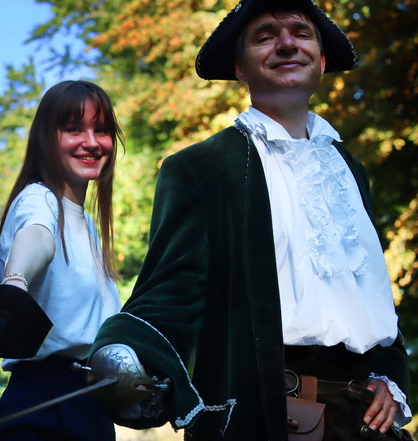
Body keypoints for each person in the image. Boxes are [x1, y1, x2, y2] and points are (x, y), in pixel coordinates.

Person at [89, 0, 412, 440]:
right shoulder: (202, 167)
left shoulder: (349, 170)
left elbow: (373, 297)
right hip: (267, 414)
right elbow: (171, 289)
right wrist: (127, 345)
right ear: (240, 68)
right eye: (265, 36)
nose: (285, 44)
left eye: (301, 33)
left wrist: (389, 380)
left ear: (321, 61)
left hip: (365, 422)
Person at [0, 80, 123, 441]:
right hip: (43, 406)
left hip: (88, 407)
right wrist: (15, 283)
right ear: (47, 137)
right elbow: (37, 237)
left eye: (102, 130)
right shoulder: (38, 200)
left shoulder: (88, 225)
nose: (91, 142)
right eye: (73, 129)